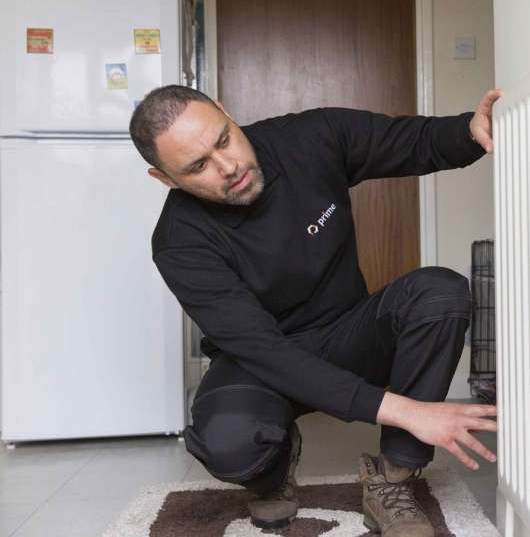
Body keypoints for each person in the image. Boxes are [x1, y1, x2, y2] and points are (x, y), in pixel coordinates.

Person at [128, 85, 501, 535]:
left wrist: (470, 129)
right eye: (198, 166)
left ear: (226, 112)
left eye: (223, 140)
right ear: (165, 179)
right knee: (229, 444)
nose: (228, 168)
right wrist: (409, 410)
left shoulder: (311, 137)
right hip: (260, 363)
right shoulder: (179, 242)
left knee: (439, 293)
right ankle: (275, 468)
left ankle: (393, 476)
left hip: (346, 334)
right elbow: (264, 350)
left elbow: (414, 141)